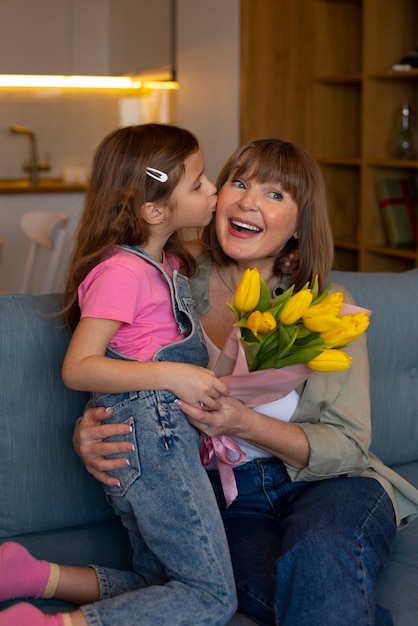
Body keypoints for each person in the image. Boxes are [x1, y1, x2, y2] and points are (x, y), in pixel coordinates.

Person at [3, 136, 418, 626]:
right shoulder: (169, 275)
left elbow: (348, 444)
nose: (247, 201)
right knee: (262, 591)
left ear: (300, 224)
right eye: (239, 183)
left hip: (330, 484)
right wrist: (87, 431)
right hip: (229, 502)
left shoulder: (327, 307)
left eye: (275, 194)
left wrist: (242, 422)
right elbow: (114, 364)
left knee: (320, 558)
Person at [0, 123, 237, 626]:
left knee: (165, 587)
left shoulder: (167, 262)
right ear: (154, 210)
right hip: (153, 435)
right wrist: (174, 377)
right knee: (212, 597)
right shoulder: (122, 272)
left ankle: (33, 577)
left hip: (158, 436)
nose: (213, 189)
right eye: (197, 184)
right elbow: (79, 367)